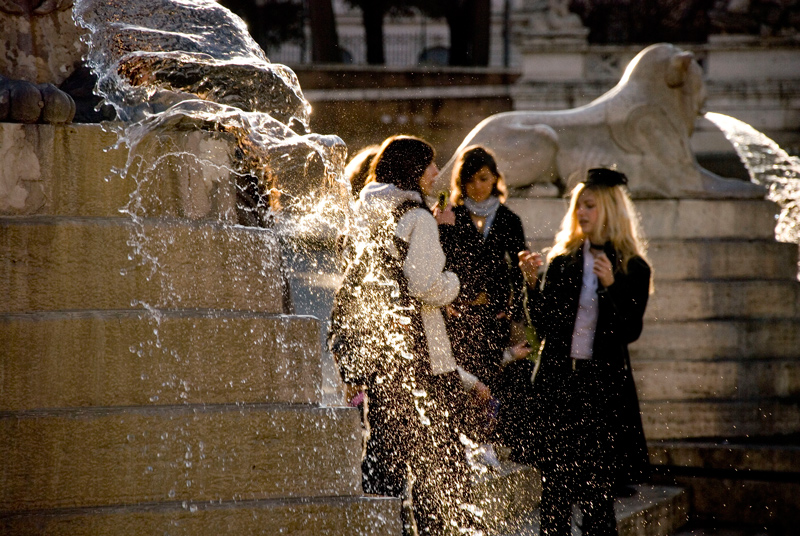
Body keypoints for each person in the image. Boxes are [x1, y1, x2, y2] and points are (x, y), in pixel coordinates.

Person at [329, 135, 482, 536]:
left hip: (381, 354)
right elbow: (425, 284)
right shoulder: (418, 217)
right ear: (413, 170)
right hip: (424, 356)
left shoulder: (366, 206)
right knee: (442, 464)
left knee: (384, 458)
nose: (436, 172)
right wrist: (454, 283)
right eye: (429, 164)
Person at [516, 168, 653, 536]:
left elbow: (629, 330)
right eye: (578, 206)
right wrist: (531, 284)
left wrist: (611, 286)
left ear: (609, 210)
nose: (582, 213)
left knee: (597, 498)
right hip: (559, 386)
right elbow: (545, 327)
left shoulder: (634, 267)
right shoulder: (563, 261)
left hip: (602, 392)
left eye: (590, 206)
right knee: (555, 495)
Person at [436, 145, 527, 444]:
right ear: (462, 183)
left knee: (496, 377)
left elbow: (518, 270)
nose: (477, 186)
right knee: (468, 380)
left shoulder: (508, 219)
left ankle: (497, 443)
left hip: (495, 315)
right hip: (460, 313)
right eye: (471, 180)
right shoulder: (453, 216)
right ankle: (470, 441)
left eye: (484, 179)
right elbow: (443, 261)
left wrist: (511, 312)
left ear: (495, 179)